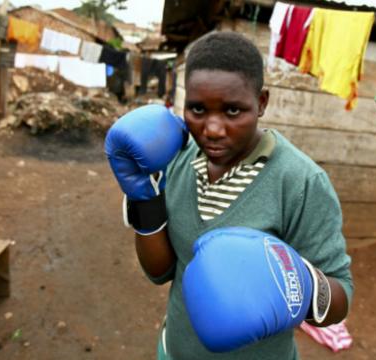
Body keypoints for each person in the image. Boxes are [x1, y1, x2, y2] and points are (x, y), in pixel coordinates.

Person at [105, 31, 353, 359]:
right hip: (175, 350)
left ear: (261, 102)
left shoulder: (300, 182)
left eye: (233, 111)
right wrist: (144, 200)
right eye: (197, 109)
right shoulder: (177, 157)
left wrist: (301, 287)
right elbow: (160, 273)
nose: (213, 129)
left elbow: (340, 297)